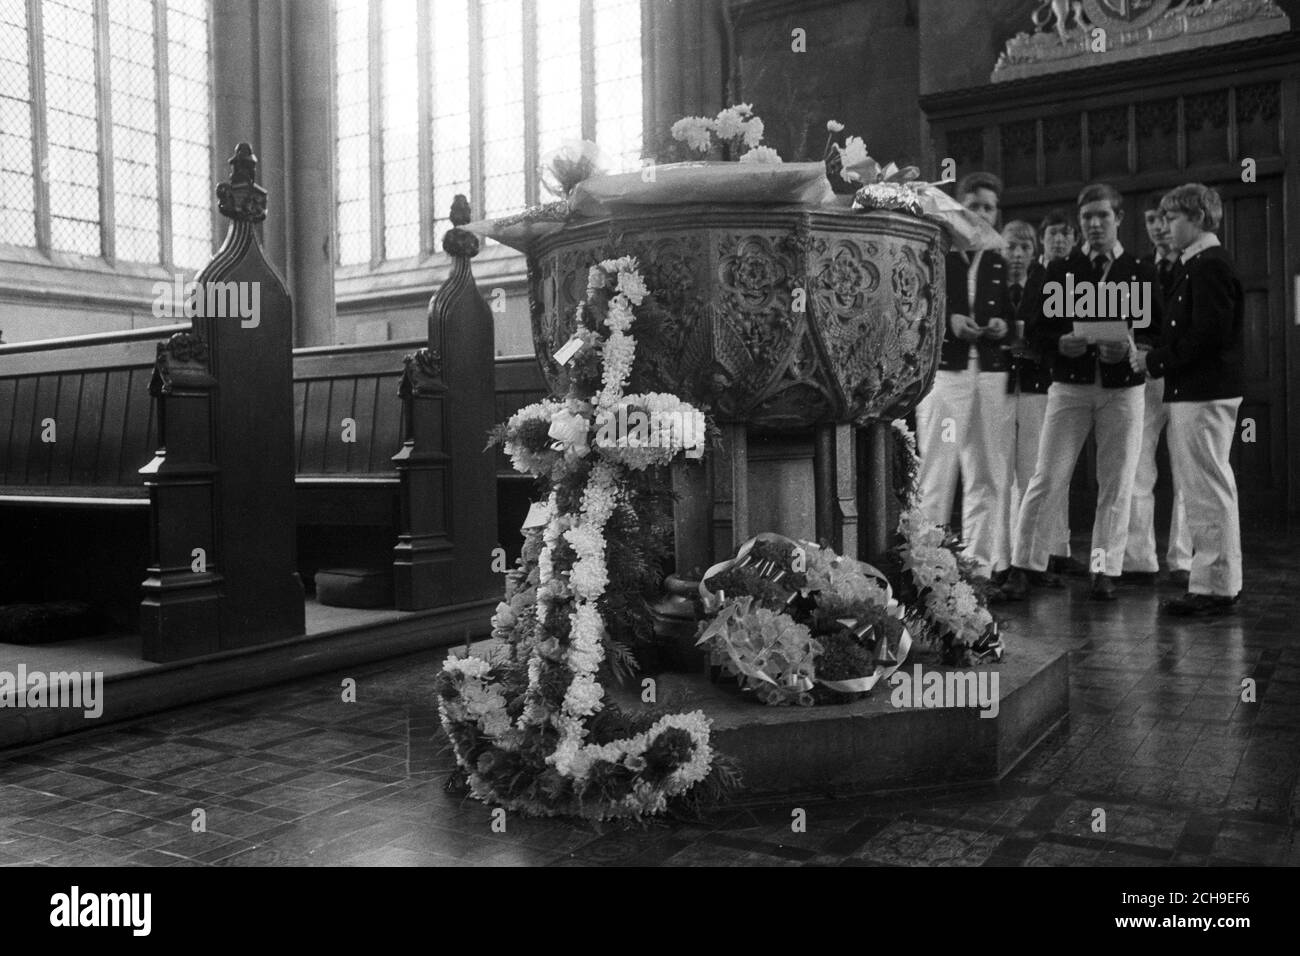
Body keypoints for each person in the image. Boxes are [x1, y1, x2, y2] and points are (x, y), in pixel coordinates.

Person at [1005, 182, 1160, 602]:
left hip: (1122, 390)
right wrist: (1059, 343)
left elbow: (1155, 332)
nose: (1093, 225)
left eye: (1102, 216)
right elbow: (1033, 329)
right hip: (1070, 387)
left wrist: (1130, 347)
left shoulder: (1141, 271)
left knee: (1115, 481)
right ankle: (1024, 566)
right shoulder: (1059, 271)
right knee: (1048, 476)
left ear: (1118, 219)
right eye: (1087, 218)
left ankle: (1103, 569)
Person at [1131, 183, 1243, 616]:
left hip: (1203, 390)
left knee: (1207, 489)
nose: (1165, 227)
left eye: (1173, 219)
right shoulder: (1200, 263)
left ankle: (1215, 587)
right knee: (1208, 488)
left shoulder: (1209, 265)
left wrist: (1155, 360)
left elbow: (1206, 335)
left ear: (1197, 217)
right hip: (1199, 389)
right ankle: (1217, 581)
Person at [914, 172, 1011, 582]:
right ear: (958, 207)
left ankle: (980, 565)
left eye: (989, 207)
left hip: (990, 374)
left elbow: (1009, 310)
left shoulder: (998, 259)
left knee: (988, 472)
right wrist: (948, 320)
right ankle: (926, 566)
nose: (981, 213)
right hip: (947, 374)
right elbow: (915, 305)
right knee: (938, 468)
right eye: (974, 205)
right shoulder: (936, 250)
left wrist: (1003, 325)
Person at [1123, 191, 1191, 586]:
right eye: (1151, 220)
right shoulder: (1138, 269)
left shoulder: (1193, 264)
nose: (1159, 228)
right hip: (1144, 376)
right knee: (1137, 467)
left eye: (1165, 219)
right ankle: (1138, 557)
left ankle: (1182, 559)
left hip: (1182, 377)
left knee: (1185, 470)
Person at [1001, 220, 1065, 594]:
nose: (1018, 254)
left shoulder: (1044, 286)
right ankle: (1003, 557)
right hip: (1002, 388)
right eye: (1011, 247)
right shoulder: (991, 288)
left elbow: (1056, 333)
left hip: (1039, 386)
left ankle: (1034, 558)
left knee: (1035, 474)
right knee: (1001, 475)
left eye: (1025, 247)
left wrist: (1032, 344)